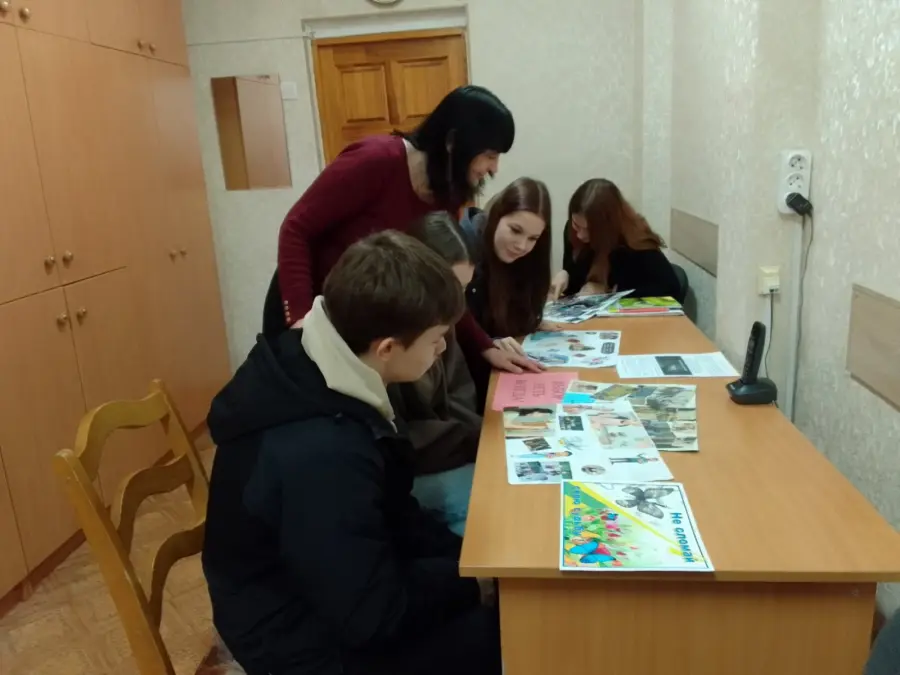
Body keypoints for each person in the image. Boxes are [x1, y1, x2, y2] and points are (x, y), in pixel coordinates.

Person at [204, 232, 501, 675]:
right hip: (298, 642)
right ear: (387, 348)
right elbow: (371, 615)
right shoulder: (323, 451)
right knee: (504, 636)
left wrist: (469, 563)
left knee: (496, 606)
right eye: (437, 339)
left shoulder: (319, 361)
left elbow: (392, 513)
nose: (443, 349)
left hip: (331, 590)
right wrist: (472, 582)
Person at [262, 84, 539, 375]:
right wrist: (301, 318)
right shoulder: (376, 160)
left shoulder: (448, 195)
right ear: (453, 142)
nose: (494, 168)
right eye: (490, 155)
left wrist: (485, 346)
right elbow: (296, 228)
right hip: (308, 309)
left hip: (363, 327)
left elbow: (444, 285)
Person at [389, 212, 482, 537]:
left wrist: (474, 438)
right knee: (490, 496)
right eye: (451, 288)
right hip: (408, 470)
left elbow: (461, 392)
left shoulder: (443, 322)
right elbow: (399, 441)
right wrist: (470, 440)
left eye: (464, 289)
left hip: (447, 452)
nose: (457, 303)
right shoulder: (393, 336)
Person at [459, 177, 555, 407]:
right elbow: (457, 321)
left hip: (501, 372)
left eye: (533, 238)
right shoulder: (467, 250)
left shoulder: (526, 258)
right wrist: (487, 342)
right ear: (497, 216)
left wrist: (528, 320)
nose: (522, 246)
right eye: (515, 230)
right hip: (470, 381)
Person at [550, 178, 684, 302]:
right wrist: (566, 274)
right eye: (576, 225)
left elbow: (670, 289)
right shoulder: (572, 231)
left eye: (590, 230)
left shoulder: (634, 241)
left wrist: (610, 291)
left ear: (607, 228)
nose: (580, 235)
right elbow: (577, 278)